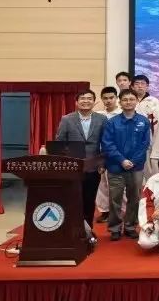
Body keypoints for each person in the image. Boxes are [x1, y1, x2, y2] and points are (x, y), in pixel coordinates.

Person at [53, 89, 108, 235]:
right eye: (82, 98)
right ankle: (70, 230)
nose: (86, 101)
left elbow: (105, 143)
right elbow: (59, 142)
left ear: (94, 101)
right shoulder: (67, 119)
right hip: (72, 168)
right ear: (77, 102)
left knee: (89, 200)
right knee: (72, 200)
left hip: (93, 167)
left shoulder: (102, 119)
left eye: (89, 98)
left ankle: (87, 232)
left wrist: (102, 164)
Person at [101, 89, 150, 241]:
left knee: (134, 198)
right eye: (125, 99)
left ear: (136, 101)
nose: (128, 102)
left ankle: (130, 226)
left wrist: (133, 161)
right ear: (120, 102)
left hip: (136, 167)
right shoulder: (112, 122)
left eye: (131, 99)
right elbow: (107, 144)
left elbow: (144, 144)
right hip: (115, 166)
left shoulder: (144, 121)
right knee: (114, 199)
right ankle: (115, 228)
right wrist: (121, 160)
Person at [95, 86, 122, 223]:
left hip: (119, 154)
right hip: (102, 153)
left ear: (116, 98)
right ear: (102, 99)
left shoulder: (122, 114)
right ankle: (104, 211)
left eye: (111, 98)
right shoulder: (98, 115)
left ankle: (120, 212)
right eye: (105, 98)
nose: (108, 100)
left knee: (119, 184)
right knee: (103, 184)